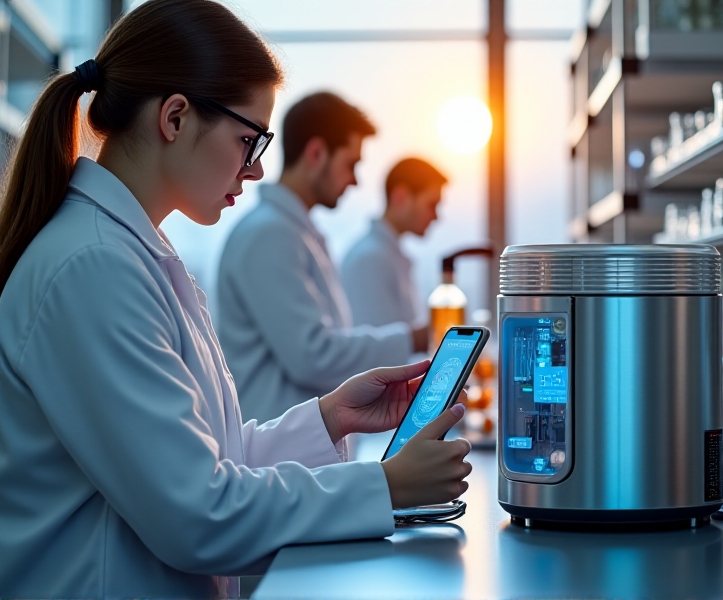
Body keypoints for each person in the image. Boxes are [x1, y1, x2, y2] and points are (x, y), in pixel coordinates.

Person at [0, 1, 471, 597]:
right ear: (174, 117)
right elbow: (195, 515)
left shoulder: (132, 254)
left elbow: (204, 459)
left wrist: (330, 419)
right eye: (248, 140)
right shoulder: (92, 266)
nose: (255, 170)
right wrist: (385, 488)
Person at [217, 93, 428, 423]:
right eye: (351, 164)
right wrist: (414, 338)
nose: (355, 180)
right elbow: (312, 356)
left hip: (299, 451)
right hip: (277, 456)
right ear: (316, 153)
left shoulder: (294, 232)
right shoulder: (269, 235)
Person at [341, 157, 447, 328]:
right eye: (431, 205)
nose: (436, 216)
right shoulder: (370, 260)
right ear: (400, 197)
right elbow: (379, 350)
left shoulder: (385, 255)